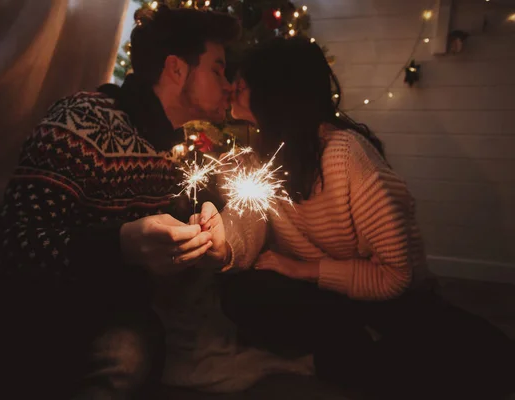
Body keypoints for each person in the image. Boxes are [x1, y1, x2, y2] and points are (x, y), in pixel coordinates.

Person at [0, 6, 240, 400]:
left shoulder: (175, 152)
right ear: (177, 69)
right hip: (39, 309)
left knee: (136, 349)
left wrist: (214, 231)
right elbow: (10, 250)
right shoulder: (82, 120)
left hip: (115, 313)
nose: (229, 84)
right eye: (218, 69)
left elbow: (216, 211)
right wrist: (119, 244)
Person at [197, 37, 514, 399]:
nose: (232, 86)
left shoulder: (345, 155)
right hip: (323, 297)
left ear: (275, 91)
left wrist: (304, 270)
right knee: (242, 293)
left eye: (243, 82)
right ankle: (354, 346)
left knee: (489, 360)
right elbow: (246, 229)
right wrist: (222, 239)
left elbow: (396, 275)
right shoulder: (254, 160)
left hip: (387, 292)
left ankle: (360, 352)